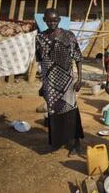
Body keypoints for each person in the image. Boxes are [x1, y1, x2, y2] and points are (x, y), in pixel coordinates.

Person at [35, 8, 84, 155]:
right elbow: (41, 61)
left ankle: (76, 143)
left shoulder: (68, 36)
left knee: (70, 108)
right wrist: (43, 83)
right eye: (49, 20)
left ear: (59, 20)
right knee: (53, 111)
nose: (52, 23)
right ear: (44, 20)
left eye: (55, 20)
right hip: (50, 82)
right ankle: (56, 142)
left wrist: (80, 78)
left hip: (67, 81)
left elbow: (78, 58)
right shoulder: (40, 38)